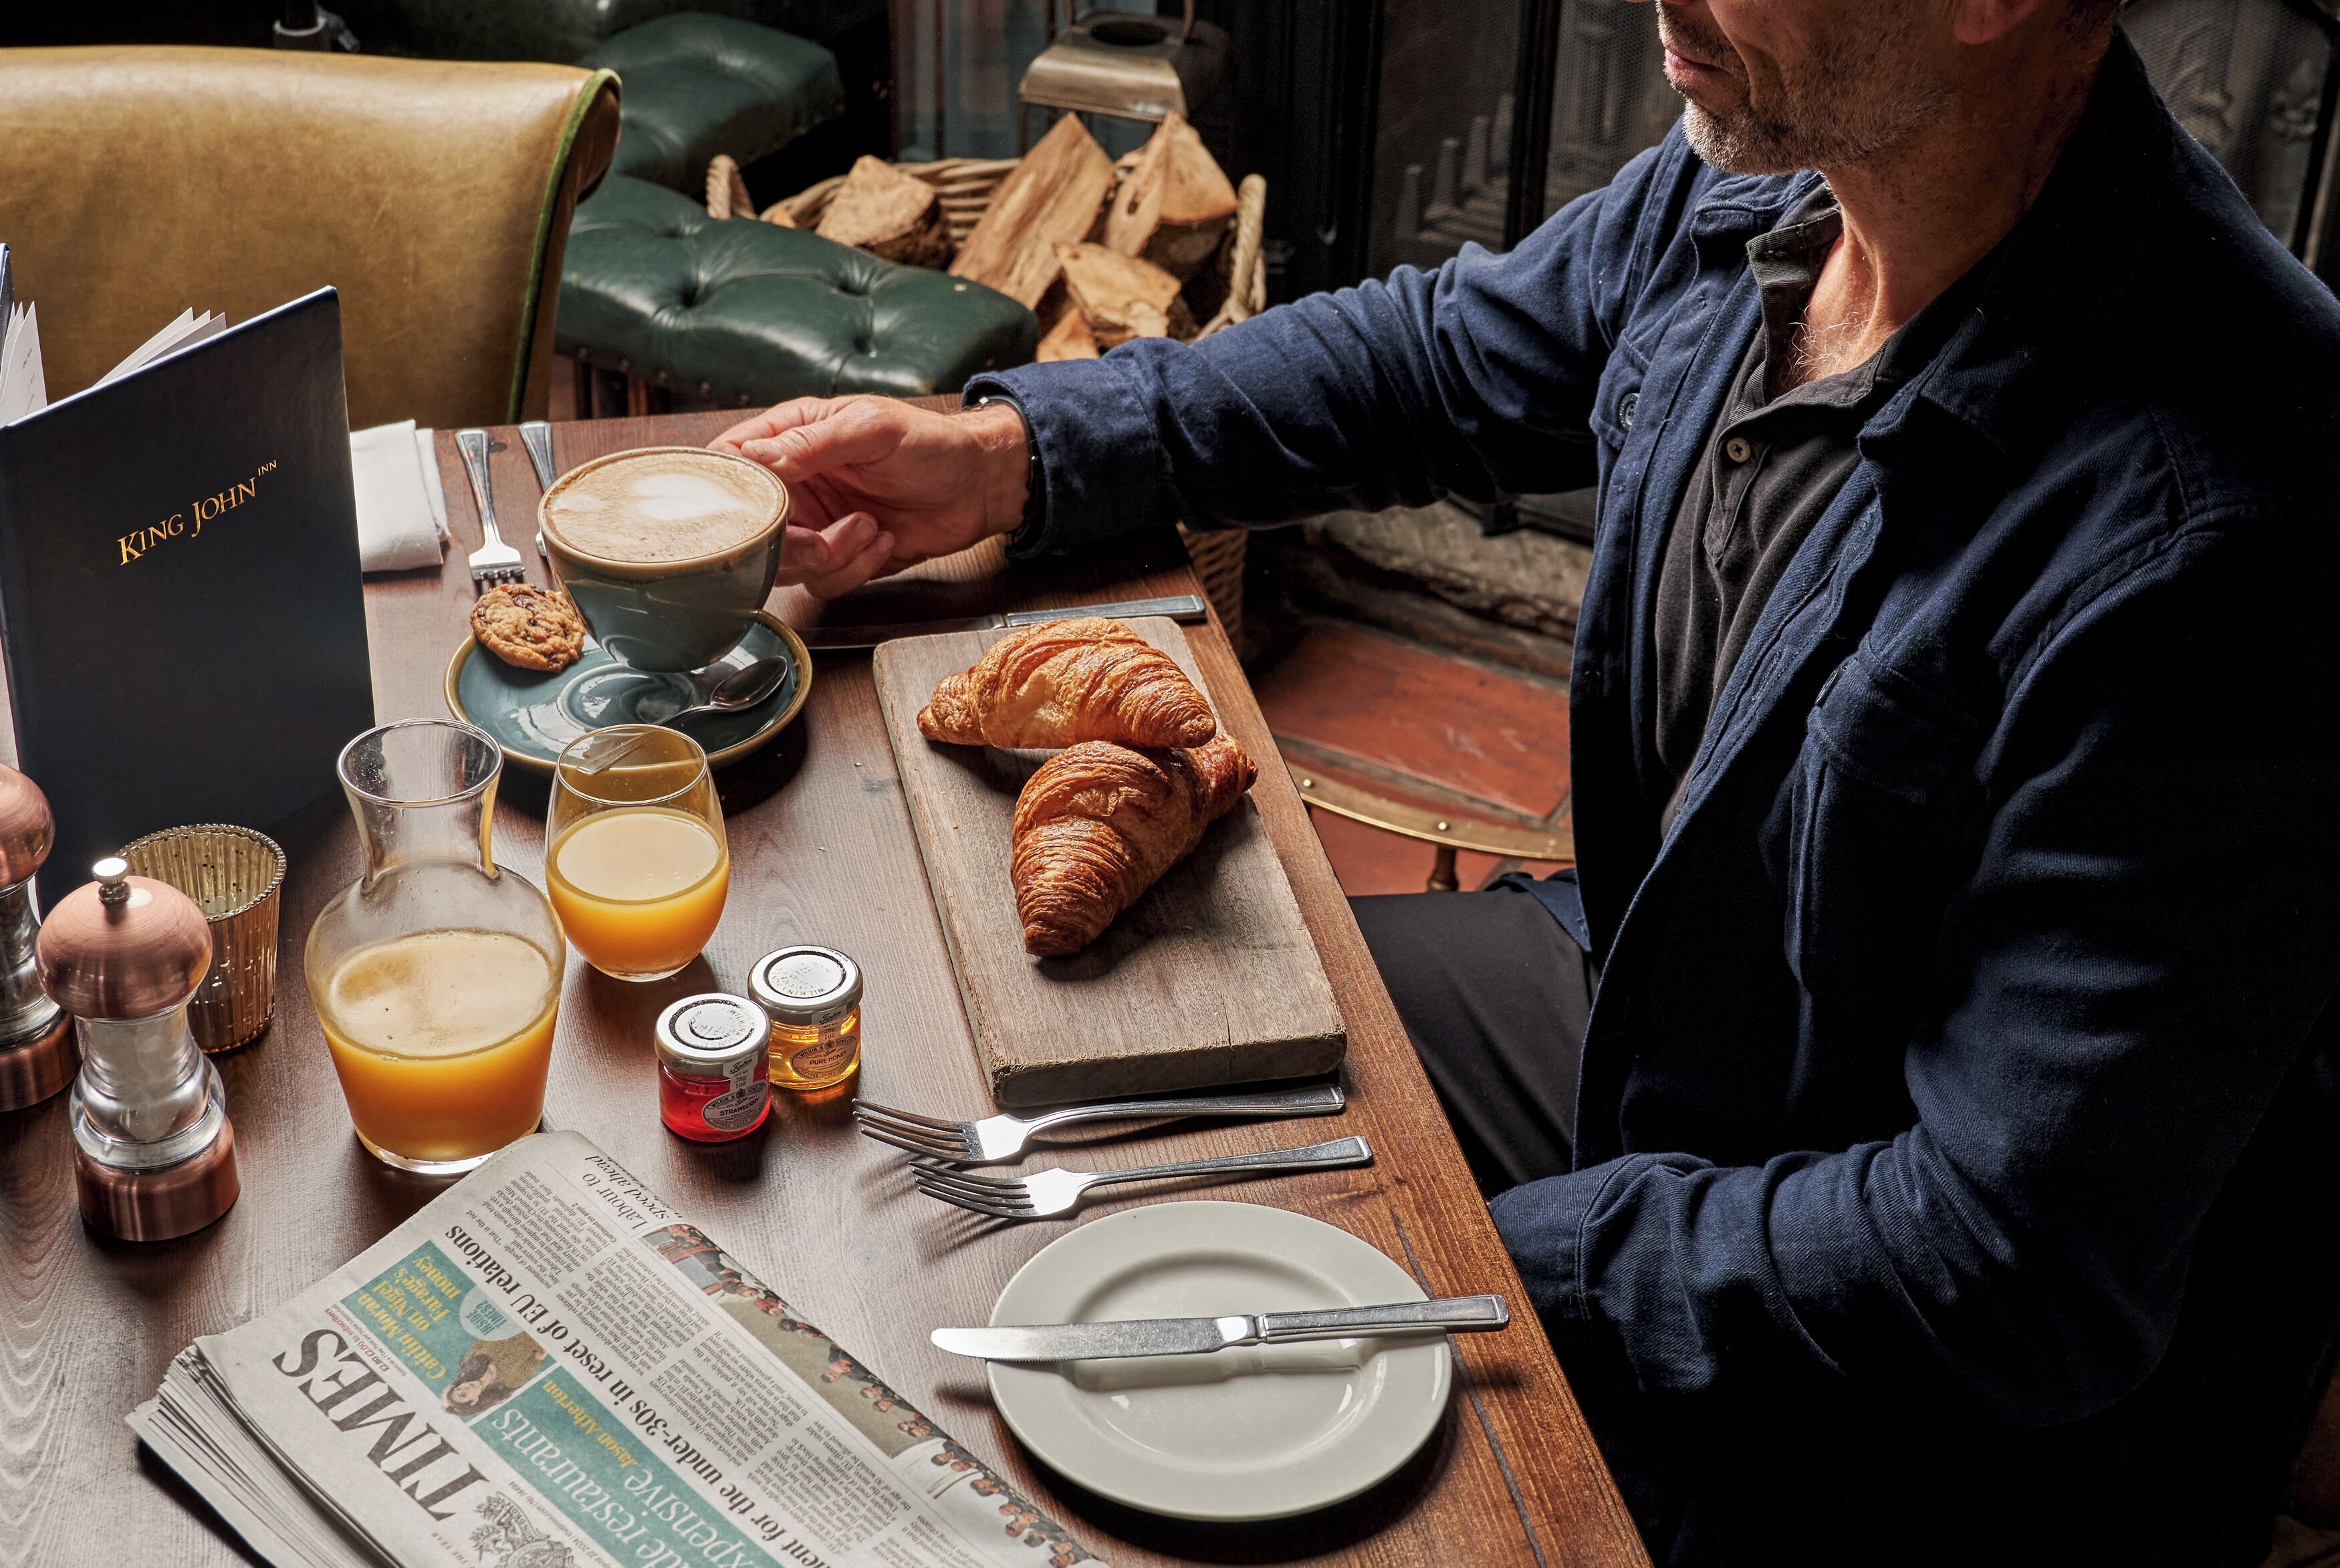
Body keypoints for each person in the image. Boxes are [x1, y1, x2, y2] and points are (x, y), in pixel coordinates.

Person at [715, 0, 2340, 1559]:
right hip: (1655, 1006)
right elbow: (1427, 361)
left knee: (1246, 1440)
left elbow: (2007, 1269)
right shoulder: (1775, 180)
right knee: (1103, 1088)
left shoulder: (2217, 534)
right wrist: (1012, 458)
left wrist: (1460, 1248)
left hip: (1921, 1350)